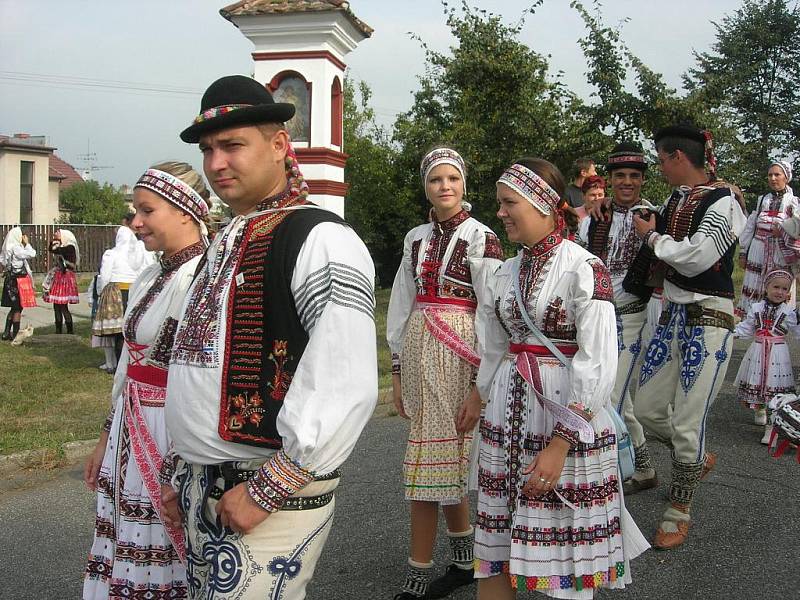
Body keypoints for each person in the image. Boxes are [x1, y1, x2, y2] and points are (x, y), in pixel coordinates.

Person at [163, 75, 377, 600]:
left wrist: (269, 487)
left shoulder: (323, 239)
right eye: (209, 149)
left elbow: (344, 382)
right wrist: (181, 472)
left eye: (233, 145)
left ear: (280, 145)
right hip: (204, 480)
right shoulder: (227, 239)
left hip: (267, 483)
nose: (215, 164)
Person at [474, 158, 648, 599]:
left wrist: (560, 443)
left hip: (563, 421)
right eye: (499, 203)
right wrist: (477, 396)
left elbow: (600, 363)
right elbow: (494, 346)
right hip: (506, 417)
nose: (501, 213)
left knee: (565, 558)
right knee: (496, 544)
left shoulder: (583, 268)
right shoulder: (505, 271)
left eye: (509, 203)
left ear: (542, 204)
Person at [82, 161, 211, 599]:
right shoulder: (151, 275)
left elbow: (202, 381)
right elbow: (126, 367)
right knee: (127, 538)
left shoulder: (205, 279)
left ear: (184, 210)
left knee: (166, 540)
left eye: (146, 211)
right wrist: (105, 436)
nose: (135, 223)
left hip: (170, 432)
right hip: (130, 424)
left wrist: (181, 465)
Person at [387, 147, 503, 600]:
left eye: (453, 178)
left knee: (429, 464)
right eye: (436, 179)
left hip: (459, 355)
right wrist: (396, 369)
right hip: (419, 348)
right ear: (426, 186)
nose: (445, 187)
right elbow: (401, 300)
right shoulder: (415, 237)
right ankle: (462, 560)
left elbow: (492, 310)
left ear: (465, 184)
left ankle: (418, 576)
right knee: (442, 459)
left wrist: (481, 385)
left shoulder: (482, 237)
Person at [632, 124, 747, 549]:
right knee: (644, 408)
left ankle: (677, 510)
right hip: (673, 315)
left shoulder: (725, 202)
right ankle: (695, 457)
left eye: (661, 159)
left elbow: (699, 257)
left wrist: (652, 238)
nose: (659, 166)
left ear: (678, 157)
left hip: (710, 316)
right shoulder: (676, 199)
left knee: (687, 420)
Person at [578, 142, 659, 495]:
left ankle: (608, 472)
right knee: (616, 400)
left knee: (610, 396)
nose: (627, 182)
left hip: (633, 317)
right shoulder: (594, 219)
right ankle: (643, 466)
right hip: (596, 319)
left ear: (642, 180)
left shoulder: (656, 217)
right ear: (610, 180)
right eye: (621, 176)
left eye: (634, 176)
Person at [733, 269, 797, 444]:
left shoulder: (789, 312)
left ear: (788, 293)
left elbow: (798, 332)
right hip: (758, 351)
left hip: (778, 353)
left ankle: (772, 427)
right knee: (759, 382)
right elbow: (746, 329)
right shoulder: (756, 308)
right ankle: (759, 409)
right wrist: (728, 333)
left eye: (784, 289)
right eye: (776, 287)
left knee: (775, 388)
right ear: (766, 287)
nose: (780, 292)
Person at [737, 160, 800, 318]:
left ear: (786, 177)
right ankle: (753, 318)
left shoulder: (793, 202)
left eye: (777, 175)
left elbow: (797, 228)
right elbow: (750, 226)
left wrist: (783, 232)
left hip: (780, 252)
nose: (773, 178)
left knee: (779, 283)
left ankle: (780, 319)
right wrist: (743, 252)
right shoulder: (761, 200)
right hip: (758, 249)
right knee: (755, 284)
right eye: (770, 175)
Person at [92, 225, 150, 372]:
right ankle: (133, 362)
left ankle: (119, 365)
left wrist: (100, 293)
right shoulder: (138, 253)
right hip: (135, 291)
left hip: (115, 292)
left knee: (118, 332)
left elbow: (105, 275)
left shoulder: (111, 254)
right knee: (131, 328)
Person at [0, 227, 37, 341]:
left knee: (14, 307)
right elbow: (32, 254)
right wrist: (27, 244)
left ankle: (6, 333)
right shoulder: (16, 248)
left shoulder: (7, 248)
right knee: (18, 308)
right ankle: (15, 334)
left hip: (10, 280)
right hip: (18, 281)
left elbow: (2, 261)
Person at [43, 228, 80, 334]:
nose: (55, 233)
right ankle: (58, 330)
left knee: (63, 305)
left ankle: (69, 331)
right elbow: (52, 249)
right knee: (56, 305)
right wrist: (54, 242)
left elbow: (57, 250)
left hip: (66, 277)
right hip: (59, 277)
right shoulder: (62, 246)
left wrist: (55, 244)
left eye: (58, 232)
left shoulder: (70, 247)